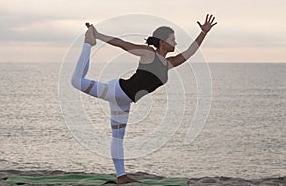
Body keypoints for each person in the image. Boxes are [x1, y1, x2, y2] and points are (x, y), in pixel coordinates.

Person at [71, 14, 217, 184]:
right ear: (162, 41)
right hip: (115, 91)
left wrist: (203, 33)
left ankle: (121, 176)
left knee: (118, 138)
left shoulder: (168, 64)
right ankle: (88, 43)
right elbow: (122, 44)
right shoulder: (149, 54)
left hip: (124, 102)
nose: (176, 43)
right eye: (173, 40)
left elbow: (190, 52)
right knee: (76, 81)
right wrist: (97, 35)